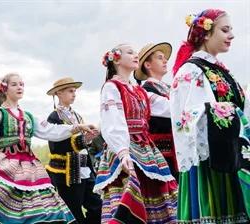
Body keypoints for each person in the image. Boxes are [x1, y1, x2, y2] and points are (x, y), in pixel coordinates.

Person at [0, 73, 95, 224]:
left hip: (31, 170)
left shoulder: (29, 116)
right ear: (4, 89)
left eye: (22, 84)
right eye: (15, 84)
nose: (20, 87)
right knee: (11, 212)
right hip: (5, 165)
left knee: (45, 210)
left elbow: (51, 131)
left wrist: (77, 127)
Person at [171, 9, 250, 223]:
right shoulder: (191, 71)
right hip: (207, 162)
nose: (231, 36)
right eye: (225, 30)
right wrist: (232, 113)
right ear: (206, 34)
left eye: (231, 30)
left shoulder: (219, 69)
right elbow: (191, 116)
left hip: (229, 155)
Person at [94, 44, 178, 224]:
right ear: (116, 58)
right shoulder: (112, 87)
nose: (135, 55)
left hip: (146, 149)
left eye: (135, 52)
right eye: (130, 52)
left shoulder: (140, 91)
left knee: (157, 196)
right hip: (125, 148)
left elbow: (169, 107)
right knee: (128, 197)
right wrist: (123, 151)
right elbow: (113, 120)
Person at [46, 77, 102, 224]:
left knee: (97, 207)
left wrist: (89, 138)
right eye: (70, 91)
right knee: (74, 212)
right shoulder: (54, 117)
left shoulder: (77, 116)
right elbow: (57, 146)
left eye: (75, 91)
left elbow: (82, 143)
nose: (74, 94)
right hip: (68, 172)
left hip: (84, 168)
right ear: (58, 93)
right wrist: (83, 140)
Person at [134, 42, 178, 178]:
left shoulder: (168, 87)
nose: (165, 61)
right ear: (148, 65)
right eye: (160, 57)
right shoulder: (145, 91)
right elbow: (171, 109)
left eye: (165, 58)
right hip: (161, 153)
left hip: (176, 151)